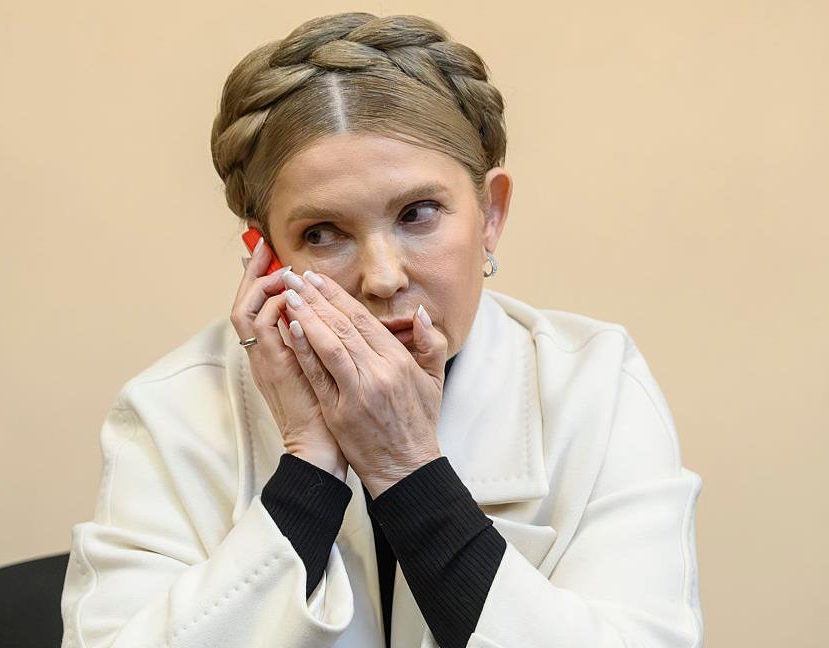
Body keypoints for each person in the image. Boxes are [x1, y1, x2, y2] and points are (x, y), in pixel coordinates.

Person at [59, 12, 704, 648]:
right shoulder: (172, 411)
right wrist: (307, 467)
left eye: (418, 214)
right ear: (267, 256)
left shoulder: (597, 384)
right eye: (322, 234)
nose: (383, 277)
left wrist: (406, 468)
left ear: (490, 215)